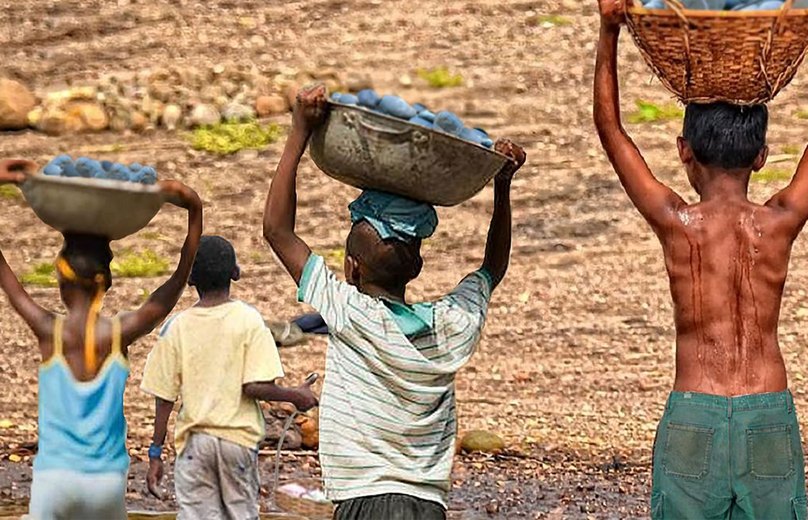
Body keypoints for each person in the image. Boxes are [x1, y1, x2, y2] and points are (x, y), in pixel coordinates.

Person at [594, 1, 808, 518]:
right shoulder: (779, 222)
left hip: (695, 413)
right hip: (767, 412)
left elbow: (612, 129)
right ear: (761, 156)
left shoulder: (677, 224)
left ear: (685, 150)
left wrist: (609, 30)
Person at [263, 84, 527, 519]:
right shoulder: (450, 324)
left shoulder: (349, 313)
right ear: (416, 268)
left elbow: (277, 230)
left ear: (351, 269)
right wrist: (502, 186)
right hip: (428, 505)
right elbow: (491, 268)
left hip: (366, 498)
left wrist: (299, 132)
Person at [0, 158, 203, 520]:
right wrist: (194, 210)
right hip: (106, 482)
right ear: (105, 282)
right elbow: (174, 284)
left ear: (61, 281)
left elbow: (5, 273)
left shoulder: (50, 332)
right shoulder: (119, 334)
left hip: (55, 480)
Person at [141, 235, 319, 520]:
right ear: (235, 273)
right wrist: (296, 395)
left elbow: (163, 397)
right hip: (237, 442)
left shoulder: (176, 327)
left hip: (195, 444)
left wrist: (155, 453)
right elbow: (254, 386)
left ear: (190, 280)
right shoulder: (249, 320)